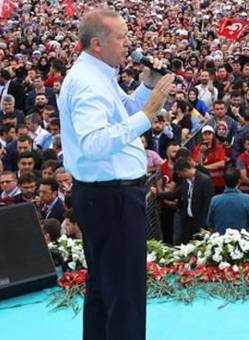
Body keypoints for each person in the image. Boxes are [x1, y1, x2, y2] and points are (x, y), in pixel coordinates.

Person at [58, 9, 175, 340]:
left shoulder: (98, 74)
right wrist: (149, 113)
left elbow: (120, 111)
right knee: (125, 294)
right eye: (121, 38)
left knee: (103, 289)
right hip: (111, 197)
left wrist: (148, 85)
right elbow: (95, 144)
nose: (129, 45)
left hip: (105, 196)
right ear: (97, 43)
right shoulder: (86, 83)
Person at [151, 158, 214, 244]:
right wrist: (157, 195)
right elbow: (175, 194)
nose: (179, 176)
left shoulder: (205, 181)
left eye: (179, 174)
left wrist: (204, 225)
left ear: (184, 171)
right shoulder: (185, 181)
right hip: (187, 221)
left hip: (199, 224)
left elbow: (208, 204)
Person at [206, 167, 249, 234]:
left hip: (221, 241)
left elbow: (210, 226)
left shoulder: (215, 200)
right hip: (243, 241)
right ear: (239, 181)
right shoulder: (248, 199)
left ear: (224, 181)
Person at [192, 125, 226, 194]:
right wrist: (200, 152)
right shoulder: (197, 148)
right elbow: (196, 165)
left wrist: (204, 167)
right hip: (204, 182)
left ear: (213, 135)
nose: (207, 136)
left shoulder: (219, 147)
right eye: (205, 134)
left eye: (209, 134)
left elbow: (222, 163)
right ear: (202, 136)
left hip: (218, 182)